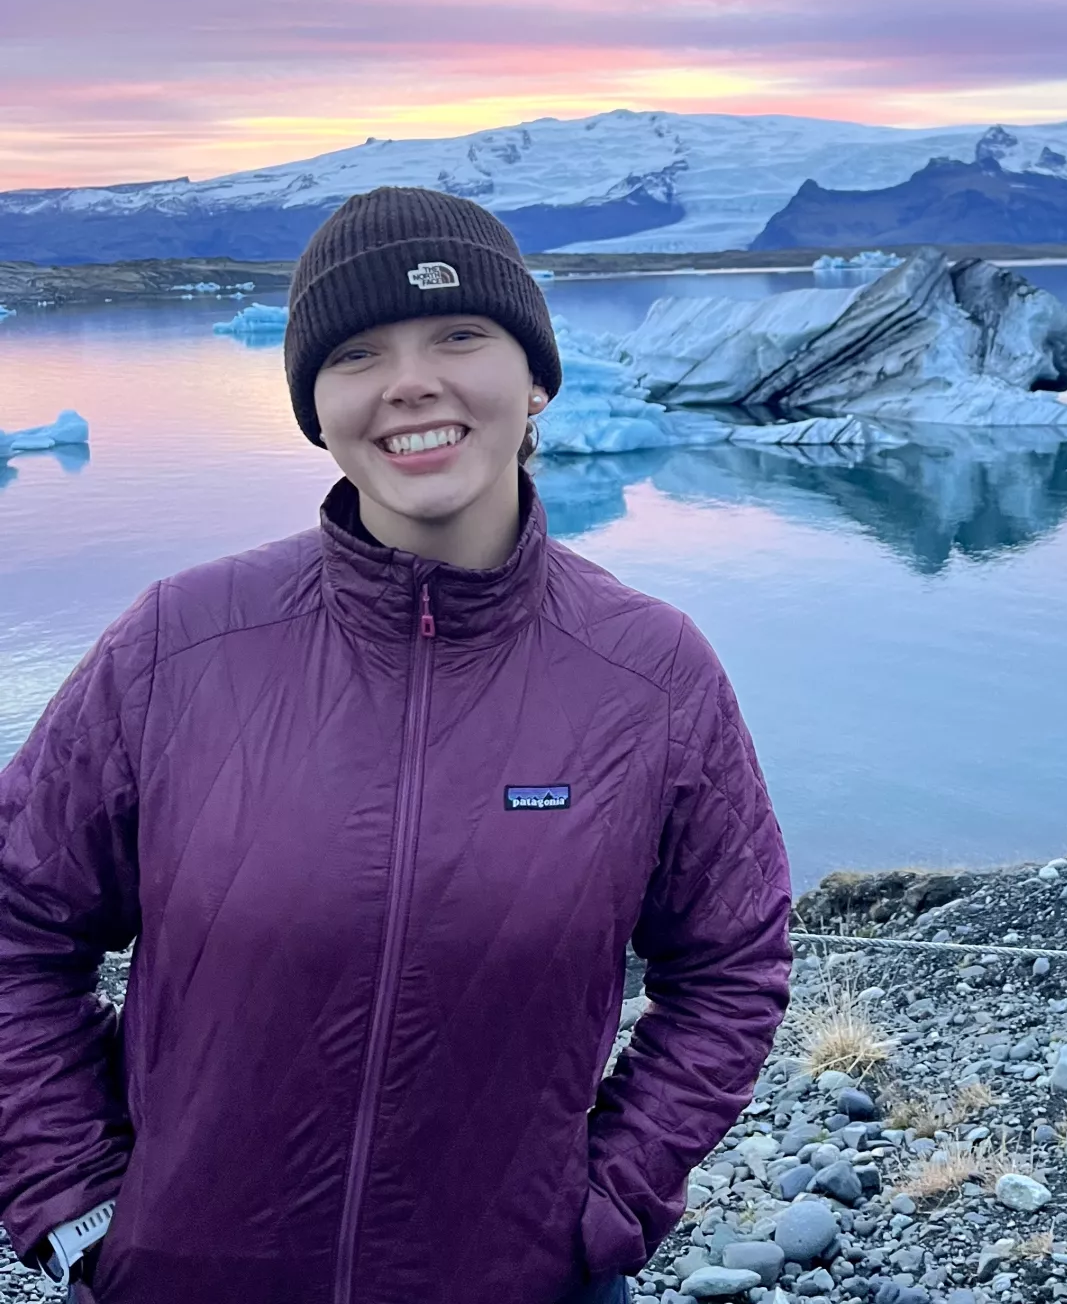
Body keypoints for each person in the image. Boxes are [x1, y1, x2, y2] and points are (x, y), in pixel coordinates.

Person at [0, 187, 793, 1303]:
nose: (411, 381)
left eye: (460, 335)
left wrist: (606, 1202)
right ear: (316, 408)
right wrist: (77, 1202)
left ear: (536, 382)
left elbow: (733, 963)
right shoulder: (180, 644)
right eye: (359, 352)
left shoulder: (650, 675)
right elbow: (16, 919)